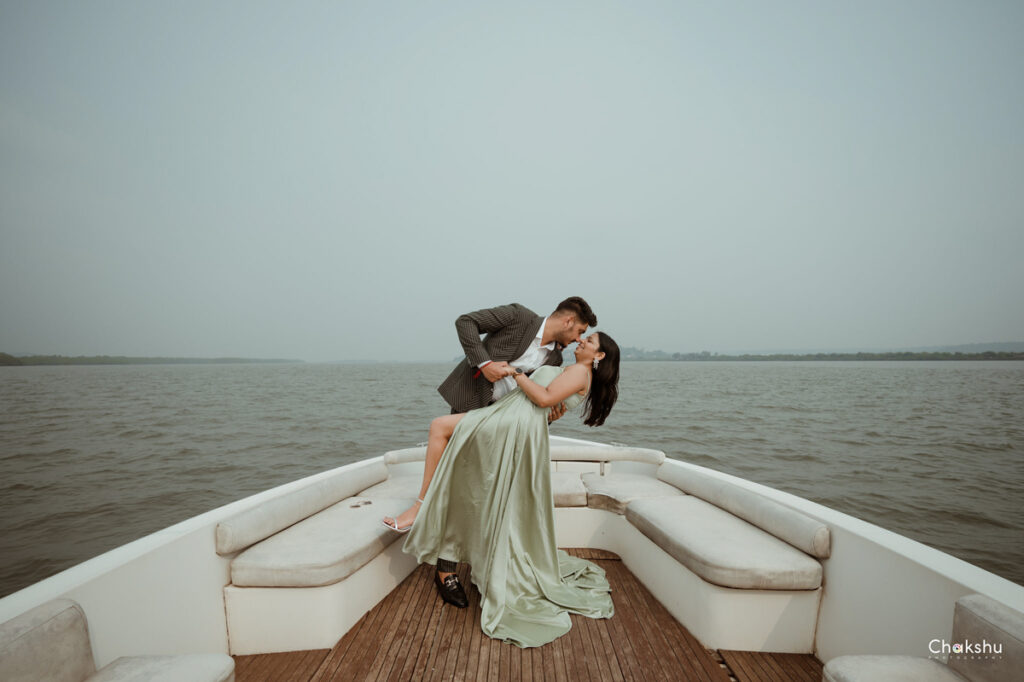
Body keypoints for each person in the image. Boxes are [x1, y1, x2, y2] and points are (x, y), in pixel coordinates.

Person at [398, 330, 621, 647]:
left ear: (598, 356)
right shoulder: (571, 369)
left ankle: (423, 507)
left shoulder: (579, 371)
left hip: (513, 423)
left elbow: (543, 399)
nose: (582, 341)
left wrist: (516, 373)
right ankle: (443, 532)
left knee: (440, 428)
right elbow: (549, 403)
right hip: (513, 418)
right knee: (462, 461)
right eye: (583, 337)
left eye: (590, 341)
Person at [383, 298, 597, 597]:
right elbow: (465, 322)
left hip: (503, 426)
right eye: (580, 331)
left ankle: (471, 559)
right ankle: (446, 571)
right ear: (568, 321)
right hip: (472, 407)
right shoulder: (518, 316)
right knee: (457, 484)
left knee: (475, 493)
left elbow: (538, 400)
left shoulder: (557, 361)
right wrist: (484, 364)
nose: (578, 339)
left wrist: (552, 412)